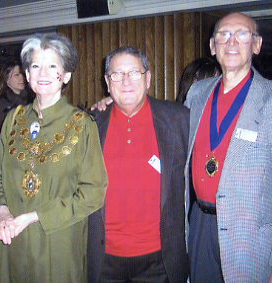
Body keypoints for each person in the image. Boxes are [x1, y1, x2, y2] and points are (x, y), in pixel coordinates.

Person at [0, 33, 108, 283]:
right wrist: (2, 213)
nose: (42, 73)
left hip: (59, 244)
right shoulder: (13, 120)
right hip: (13, 241)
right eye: (35, 66)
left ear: (65, 76)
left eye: (52, 66)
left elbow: (93, 193)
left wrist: (33, 217)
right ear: (28, 74)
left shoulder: (82, 124)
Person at [184, 12, 272, 283]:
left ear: (257, 44)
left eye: (242, 34)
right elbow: (169, 130)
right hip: (200, 224)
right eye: (223, 35)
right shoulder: (196, 93)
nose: (231, 41)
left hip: (250, 236)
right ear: (212, 46)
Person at [88, 46, 189, 283]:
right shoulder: (89, 124)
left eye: (134, 72)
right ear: (107, 82)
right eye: (117, 74)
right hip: (103, 259)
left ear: (148, 78)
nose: (125, 81)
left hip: (159, 260)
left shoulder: (179, 119)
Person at [0, 61, 32, 136]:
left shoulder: (31, 100)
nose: (21, 78)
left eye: (22, 74)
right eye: (17, 75)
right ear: (7, 80)